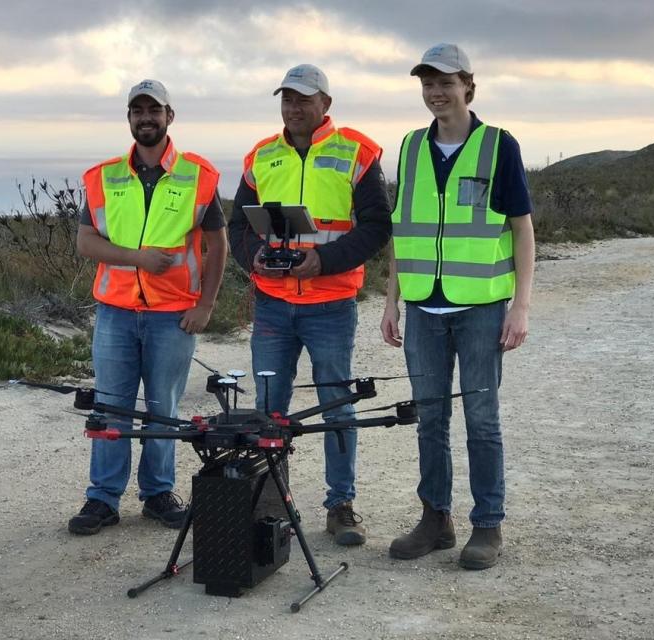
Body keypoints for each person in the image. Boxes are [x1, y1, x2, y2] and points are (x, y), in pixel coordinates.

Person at [381, 43, 535, 569]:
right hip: (424, 307)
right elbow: (404, 228)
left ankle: (487, 526)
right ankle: (435, 519)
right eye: (427, 83)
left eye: (445, 82)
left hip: (482, 307)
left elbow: (522, 228)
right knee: (430, 420)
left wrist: (521, 306)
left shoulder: (498, 145)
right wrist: (391, 300)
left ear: (469, 86)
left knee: (482, 420)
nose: (435, 92)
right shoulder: (409, 147)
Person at [228, 64, 392, 546]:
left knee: (336, 407)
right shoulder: (260, 156)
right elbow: (237, 225)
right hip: (274, 305)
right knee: (269, 411)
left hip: (331, 305)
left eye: (303, 99)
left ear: (326, 104)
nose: (293, 107)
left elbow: (376, 227)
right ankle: (269, 501)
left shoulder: (357, 151)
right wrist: (254, 259)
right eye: (286, 99)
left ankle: (340, 505)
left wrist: (322, 261)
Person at [70, 79, 228, 534]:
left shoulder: (198, 175)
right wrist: (136, 258)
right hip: (116, 315)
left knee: (163, 408)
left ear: (169, 116)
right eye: (137, 111)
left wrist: (207, 305)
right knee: (112, 407)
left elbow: (218, 246)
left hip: (172, 315)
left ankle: (158, 493)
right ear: (129, 119)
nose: (146, 118)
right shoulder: (104, 176)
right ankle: (102, 499)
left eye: (153, 110)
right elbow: (85, 243)